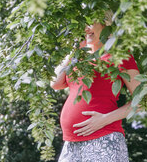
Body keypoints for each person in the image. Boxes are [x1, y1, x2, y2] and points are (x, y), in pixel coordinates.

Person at [50, 12, 141, 162]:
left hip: (104, 138)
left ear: (105, 24)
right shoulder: (79, 56)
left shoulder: (119, 54)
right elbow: (55, 83)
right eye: (82, 25)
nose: (85, 28)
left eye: (90, 23)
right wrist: (74, 49)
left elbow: (143, 100)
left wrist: (104, 119)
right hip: (71, 144)